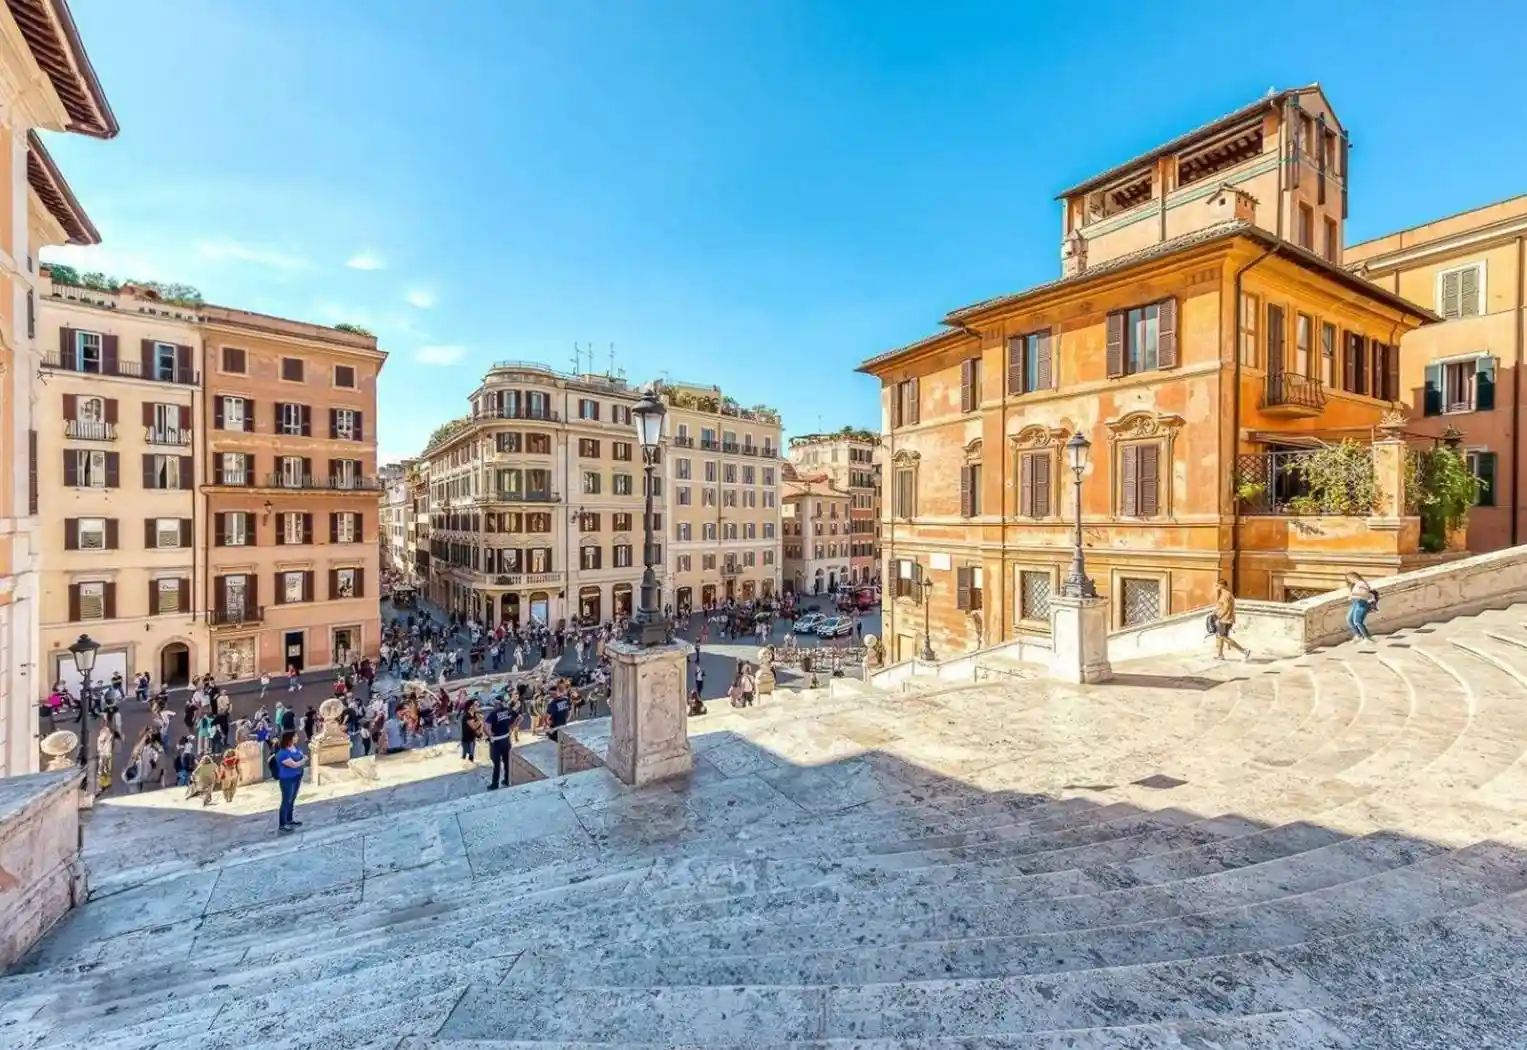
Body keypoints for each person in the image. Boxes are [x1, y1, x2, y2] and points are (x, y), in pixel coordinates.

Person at [274, 731, 307, 832]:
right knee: (286, 800)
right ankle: (282, 824)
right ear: (289, 739)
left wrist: (302, 759)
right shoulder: (282, 754)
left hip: (296, 776)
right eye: (295, 736)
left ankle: (289, 819)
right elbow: (294, 764)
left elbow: (300, 755)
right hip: (287, 779)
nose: (297, 737)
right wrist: (304, 760)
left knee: (292, 799)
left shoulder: (295, 748)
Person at [1210, 580, 1251, 662]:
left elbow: (1226, 608)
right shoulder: (1224, 594)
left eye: (1218, 584)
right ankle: (1220, 654)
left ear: (1222, 585)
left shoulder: (1226, 595)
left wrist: (1219, 617)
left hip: (1225, 619)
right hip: (1225, 618)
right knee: (1219, 636)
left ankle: (1244, 651)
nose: (1216, 586)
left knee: (1223, 636)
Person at [484, 699, 514, 790]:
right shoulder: (508, 711)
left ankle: (495, 784)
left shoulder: (493, 714)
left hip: (496, 741)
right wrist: (511, 728)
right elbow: (520, 717)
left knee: (496, 764)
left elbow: (486, 727)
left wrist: (490, 735)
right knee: (507, 761)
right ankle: (507, 780)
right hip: (506, 739)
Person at [1346, 571, 1378, 642]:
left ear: (1353, 577)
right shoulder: (1356, 585)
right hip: (1355, 603)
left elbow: (1365, 594)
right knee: (1349, 619)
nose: (1349, 580)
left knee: (1357, 621)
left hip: (1362, 603)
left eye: (1349, 578)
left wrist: (1353, 594)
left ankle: (1367, 638)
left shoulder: (1362, 584)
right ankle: (1359, 635)